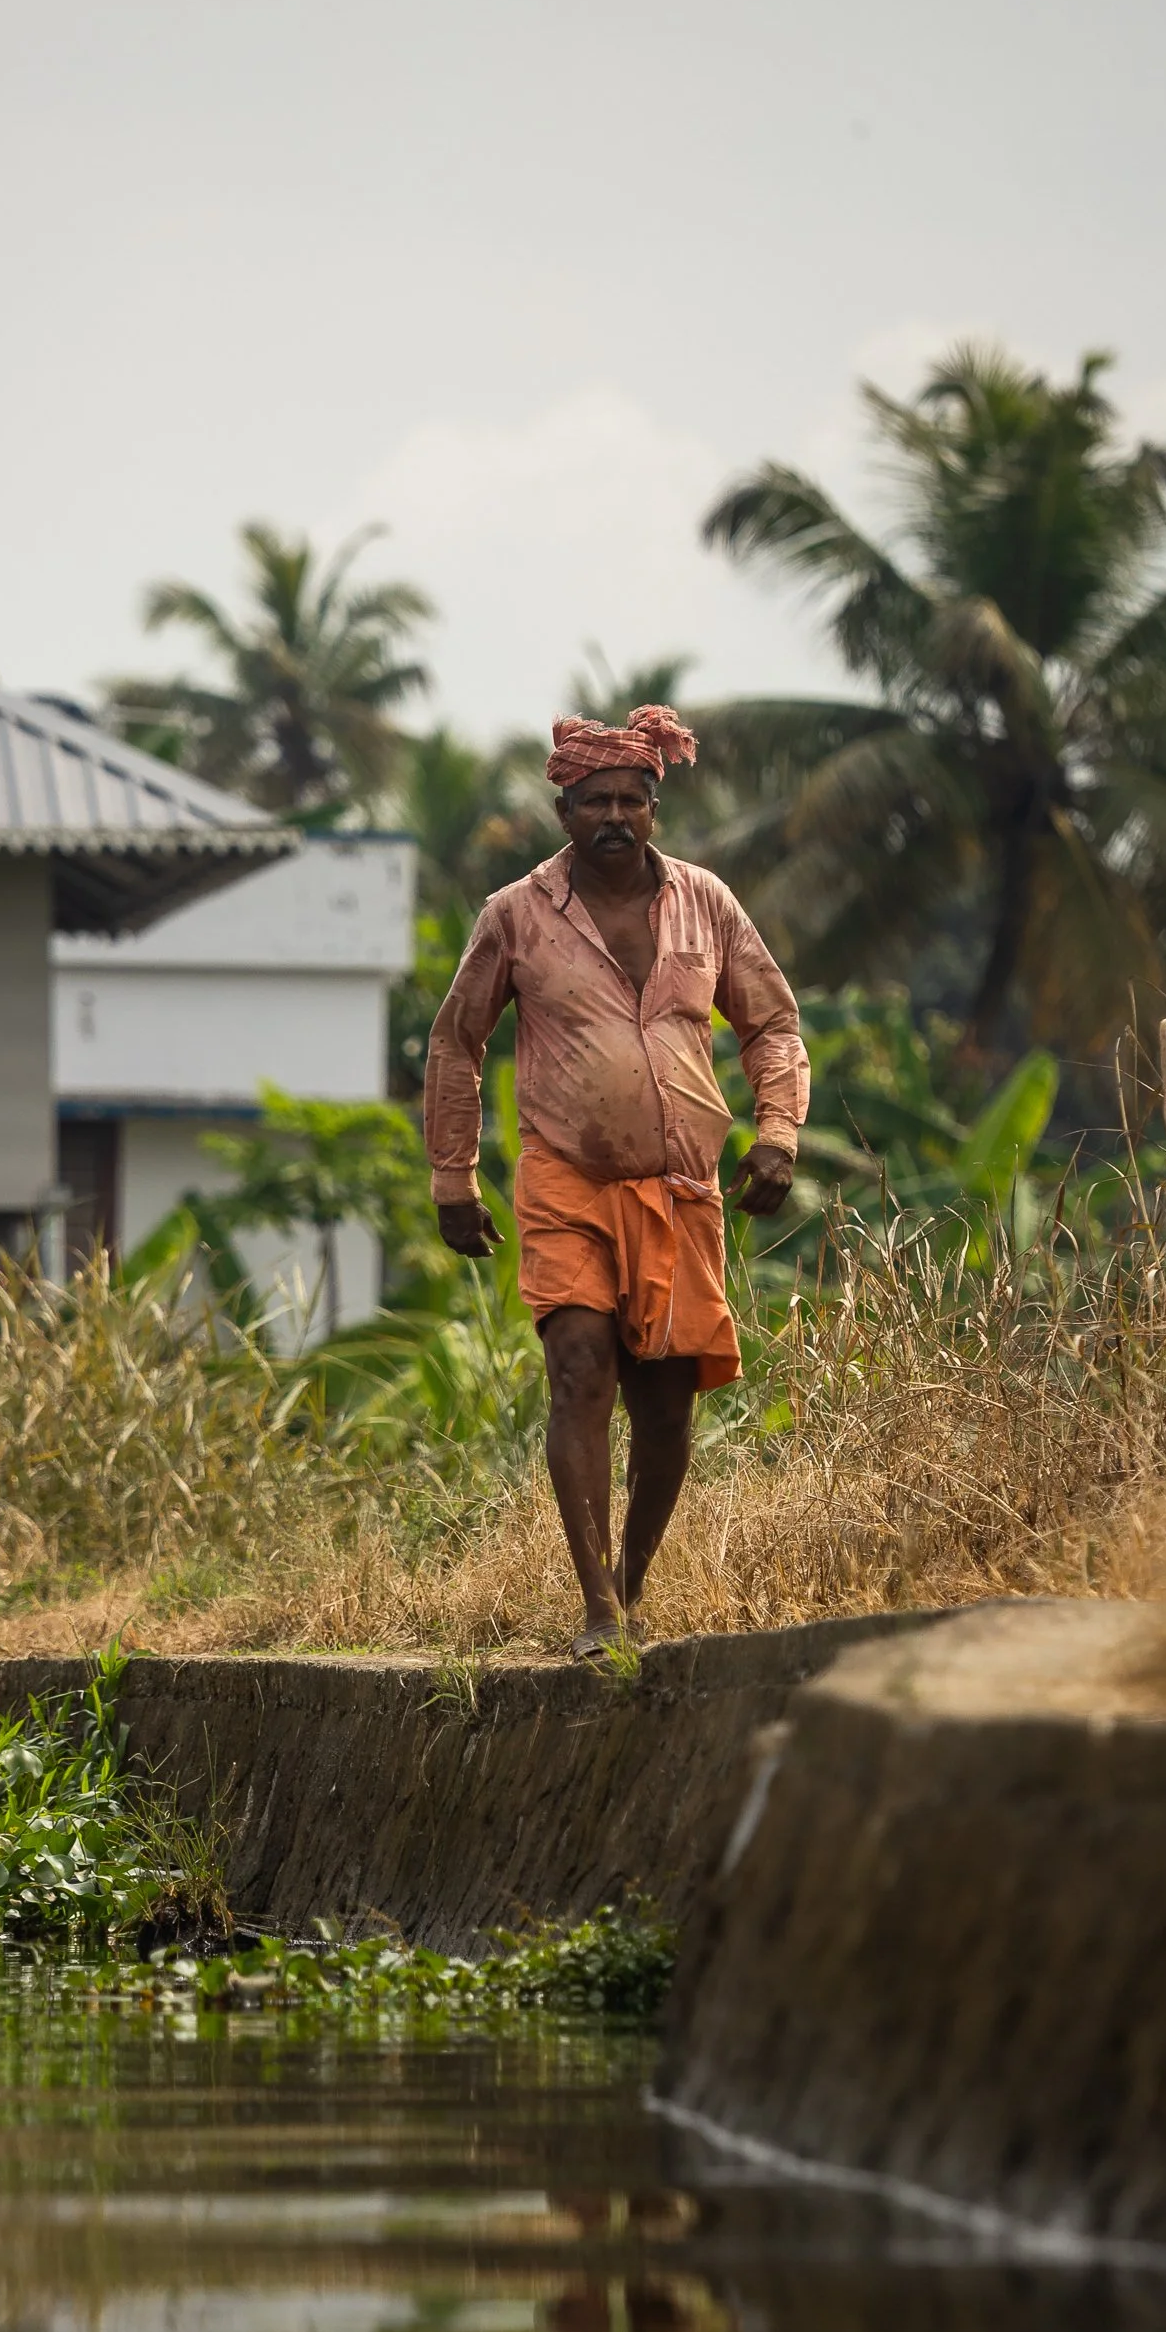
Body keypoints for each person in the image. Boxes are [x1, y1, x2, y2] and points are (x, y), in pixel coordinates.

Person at [421, 701, 808, 1656]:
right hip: (566, 1180)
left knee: (667, 1407)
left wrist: (779, 1132)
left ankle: (631, 1589)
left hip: (680, 1184)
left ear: (653, 809)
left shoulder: (705, 904)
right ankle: (595, 1607)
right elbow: (455, 1042)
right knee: (579, 1364)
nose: (616, 818)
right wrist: (452, 1177)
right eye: (597, 800)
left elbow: (771, 1025)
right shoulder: (514, 916)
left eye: (633, 800)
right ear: (564, 812)